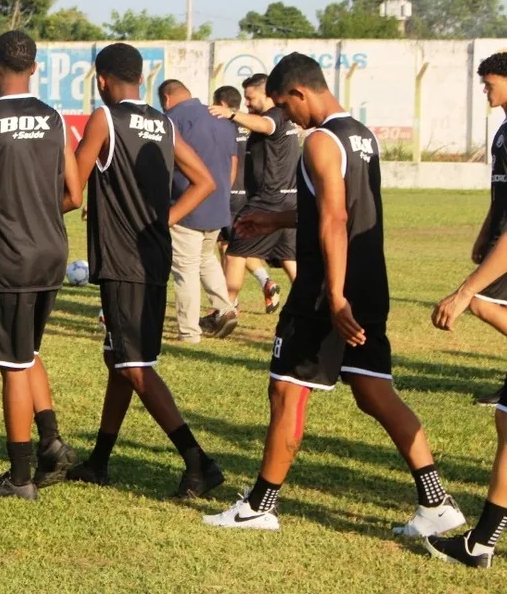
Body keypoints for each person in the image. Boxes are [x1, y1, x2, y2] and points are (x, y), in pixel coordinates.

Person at [203, 53, 465, 536]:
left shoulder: (320, 141)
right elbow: (338, 207)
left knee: (286, 387)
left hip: (330, 291)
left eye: (286, 106)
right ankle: (436, 502)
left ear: (300, 93)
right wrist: (277, 219)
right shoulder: (360, 136)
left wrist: (335, 295)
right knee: (373, 389)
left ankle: (259, 506)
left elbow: (336, 220)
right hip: (370, 282)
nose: (287, 118)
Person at [67, 45, 223, 498]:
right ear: (140, 77)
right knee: (119, 357)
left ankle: (198, 461)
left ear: (101, 81)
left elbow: (72, 185)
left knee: (134, 365)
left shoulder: (104, 119)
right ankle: (99, 461)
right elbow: (206, 182)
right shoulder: (163, 123)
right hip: (153, 254)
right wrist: (165, 219)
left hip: (123, 260)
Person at [0, 30, 83, 500]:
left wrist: (5, 213)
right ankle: (50, 442)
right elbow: (74, 192)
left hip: (11, 255)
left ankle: (19, 477)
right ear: (34, 67)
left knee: (11, 363)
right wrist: (40, 212)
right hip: (52, 250)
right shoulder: (53, 119)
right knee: (26, 349)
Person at [425, 51, 507, 568]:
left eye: (490, 81)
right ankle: (481, 543)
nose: (485, 90)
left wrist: (462, 292)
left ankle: (480, 545)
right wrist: (486, 230)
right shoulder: (502, 134)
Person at [208, 73, 298, 312]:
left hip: (267, 202)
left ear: (267, 93)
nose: (246, 103)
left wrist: (232, 114)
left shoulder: (274, 116)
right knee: (289, 257)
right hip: (289, 202)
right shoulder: (284, 116)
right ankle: (311, 307)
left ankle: (226, 309)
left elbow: (265, 126)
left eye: (250, 98)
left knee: (235, 253)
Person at [158, 79, 238, 342]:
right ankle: (226, 308)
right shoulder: (220, 116)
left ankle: (189, 332)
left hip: (187, 204)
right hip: (218, 204)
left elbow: (161, 165)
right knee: (205, 259)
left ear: (167, 99)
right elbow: (233, 163)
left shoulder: (170, 121)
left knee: (186, 268)